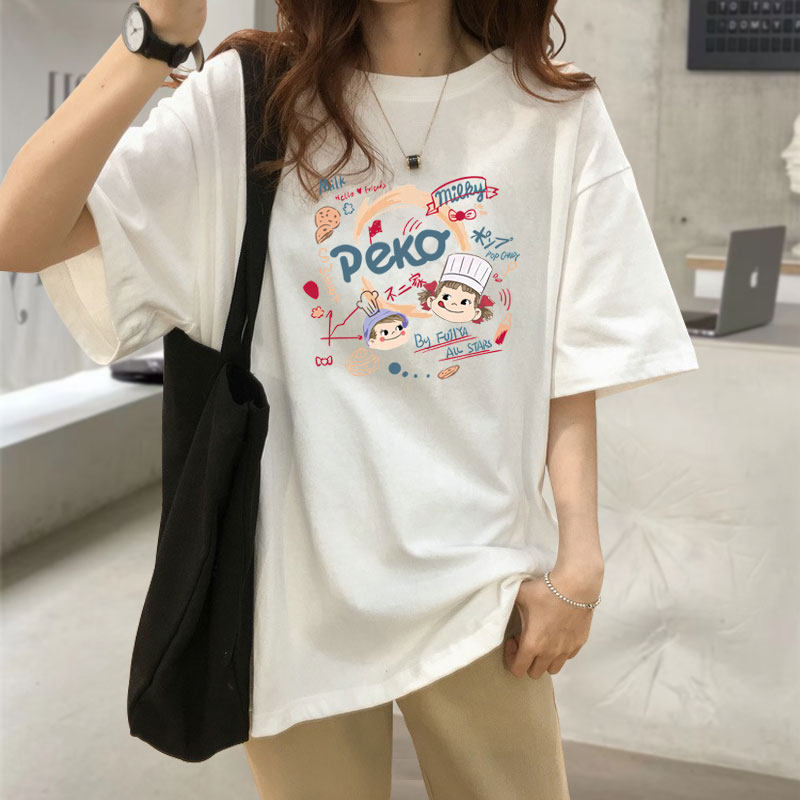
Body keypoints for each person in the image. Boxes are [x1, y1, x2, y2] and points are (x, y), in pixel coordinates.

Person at [0, 0, 699, 797]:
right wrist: (155, 36)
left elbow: (572, 356)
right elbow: (19, 233)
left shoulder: (552, 110)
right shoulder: (252, 101)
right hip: (296, 600)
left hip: (482, 590)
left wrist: (580, 556)